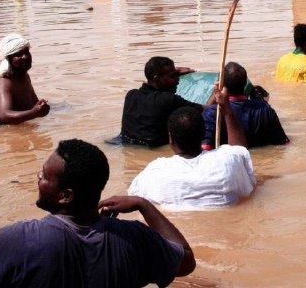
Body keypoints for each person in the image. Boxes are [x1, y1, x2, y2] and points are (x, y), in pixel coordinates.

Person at [0, 140, 196, 287]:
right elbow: (185, 262)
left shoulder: (22, 240)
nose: (38, 177)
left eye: (45, 176)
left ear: (65, 196)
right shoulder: (134, 238)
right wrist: (143, 204)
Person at [128, 89, 256, 210]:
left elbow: (134, 196)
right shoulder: (226, 162)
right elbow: (240, 151)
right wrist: (227, 109)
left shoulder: (154, 171)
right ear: (204, 134)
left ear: (171, 139)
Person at [121, 56, 206, 147]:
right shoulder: (168, 99)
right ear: (156, 79)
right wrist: (217, 90)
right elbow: (205, 109)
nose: (177, 80)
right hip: (154, 149)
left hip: (125, 144)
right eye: (172, 76)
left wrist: (174, 72)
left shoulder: (131, 95)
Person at [202, 62, 289, 149]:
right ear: (245, 84)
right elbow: (283, 144)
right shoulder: (265, 109)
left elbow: (205, 148)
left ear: (221, 85)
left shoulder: (212, 113)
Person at [0, 33, 50, 127]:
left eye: (27, 52)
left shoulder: (25, 76)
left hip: (22, 127)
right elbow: (5, 115)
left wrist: (41, 107)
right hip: (5, 130)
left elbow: (33, 104)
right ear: (9, 59)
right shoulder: (5, 82)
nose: (25, 57)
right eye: (18, 54)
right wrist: (34, 113)